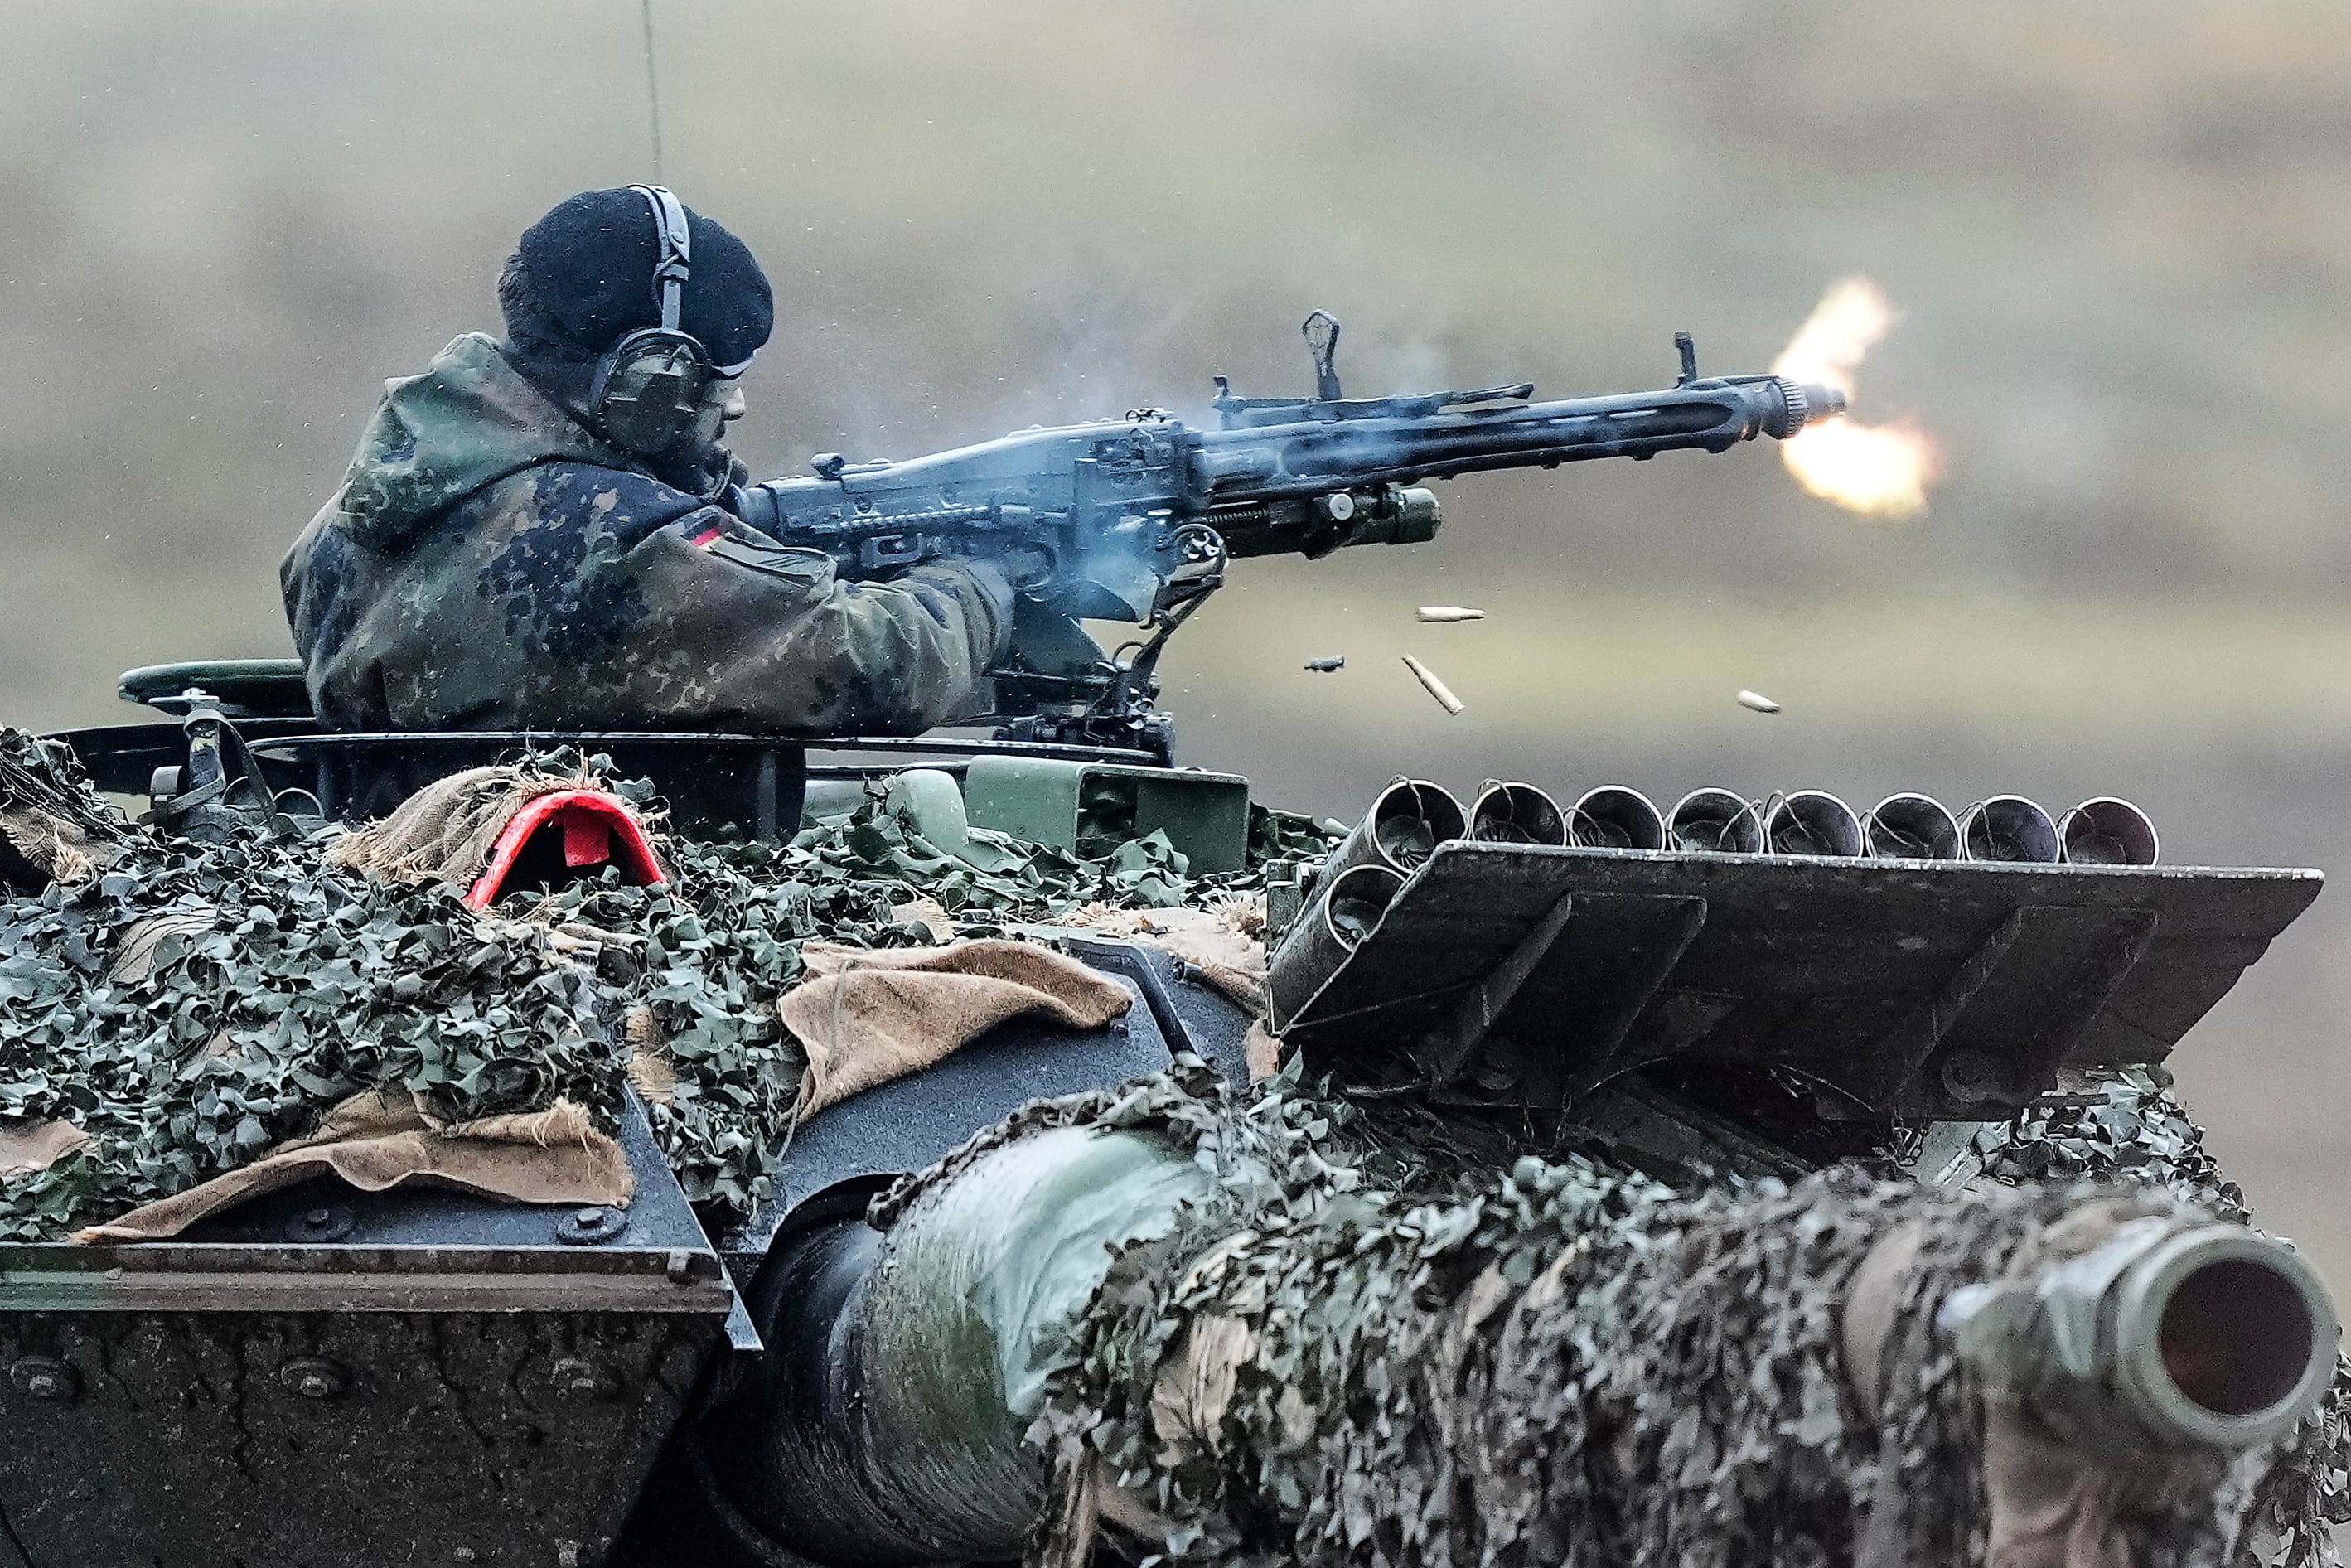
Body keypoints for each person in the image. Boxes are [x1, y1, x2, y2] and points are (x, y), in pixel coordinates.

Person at [281, 186, 1015, 734]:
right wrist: (980, 580)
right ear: (647, 380)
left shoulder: (343, 526)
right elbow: (881, 663)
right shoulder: (614, 540)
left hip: (408, 887)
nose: (733, 409)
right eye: (711, 382)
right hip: (613, 911)